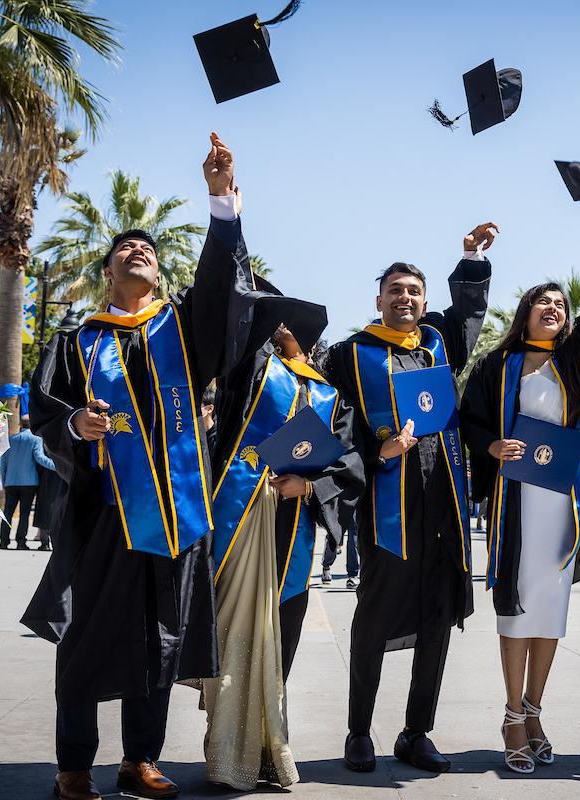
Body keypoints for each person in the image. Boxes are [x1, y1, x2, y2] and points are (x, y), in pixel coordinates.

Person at [21, 132, 245, 800]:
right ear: (108, 270)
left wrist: (220, 202)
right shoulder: (77, 340)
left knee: (160, 636)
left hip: (172, 516)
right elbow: (41, 411)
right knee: (85, 638)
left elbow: (221, 290)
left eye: (148, 247)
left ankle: (140, 759)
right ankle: (73, 765)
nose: (140, 249)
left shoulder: (182, 330)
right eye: (127, 246)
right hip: (98, 514)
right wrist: (73, 424)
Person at [460, 203, 580, 774]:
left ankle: (536, 709)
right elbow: (471, 421)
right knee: (516, 612)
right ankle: (512, 714)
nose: (554, 310)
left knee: (550, 614)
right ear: (525, 313)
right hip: (516, 506)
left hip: (564, 505)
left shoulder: (578, 360)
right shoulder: (499, 365)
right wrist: (491, 447)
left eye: (561, 304)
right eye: (544, 303)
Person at [326, 221, 497, 774]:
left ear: (424, 302)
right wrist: (380, 454)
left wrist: (469, 259)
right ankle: (358, 732)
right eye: (395, 290)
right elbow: (337, 427)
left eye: (414, 291)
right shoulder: (350, 354)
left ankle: (416, 732)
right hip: (387, 508)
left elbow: (469, 316)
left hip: (443, 505)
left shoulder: (436, 343)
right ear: (378, 299)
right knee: (373, 621)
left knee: (436, 621)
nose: (405, 298)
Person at [205, 315, 363, 790]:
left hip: (292, 528)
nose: (294, 325)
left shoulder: (332, 395)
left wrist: (310, 486)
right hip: (239, 522)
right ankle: (226, 753)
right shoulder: (254, 370)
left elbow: (349, 463)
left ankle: (269, 749)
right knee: (233, 642)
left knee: (279, 646)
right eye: (283, 317)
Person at [0, 415, 56, 550]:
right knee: (24, 513)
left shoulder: (11, 440)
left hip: (11, 482)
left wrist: (5, 479)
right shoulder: (35, 439)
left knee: (7, 513)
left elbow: (3, 464)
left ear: (20, 424)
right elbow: (40, 458)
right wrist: (57, 466)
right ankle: (21, 542)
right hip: (29, 482)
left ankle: (3, 541)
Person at [321, 523, 360, 588]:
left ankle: (352, 575)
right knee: (334, 534)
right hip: (337, 513)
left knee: (353, 534)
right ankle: (326, 566)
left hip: (353, 513)